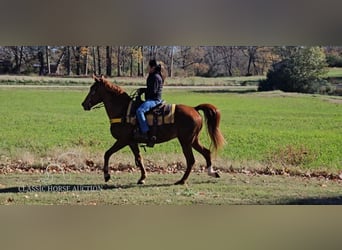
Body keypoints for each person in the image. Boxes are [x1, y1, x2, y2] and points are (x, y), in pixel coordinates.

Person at [135, 59, 165, 141]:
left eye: (149, 66)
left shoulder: (155, 77)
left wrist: (143, 90)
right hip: (151, 99)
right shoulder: (152, 75)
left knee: (140, 111)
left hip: (154, 100)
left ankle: (145, 132)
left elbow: (153, 91)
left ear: (153, 67)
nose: (147, 67)